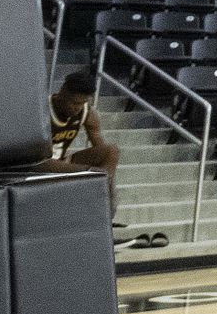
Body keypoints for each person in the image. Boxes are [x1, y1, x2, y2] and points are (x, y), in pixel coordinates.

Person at [45, 70, 165, 248]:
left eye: (82, 103)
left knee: (111, 152)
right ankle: (102, 224)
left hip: (62, 161)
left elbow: (100, 150)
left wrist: (109, 186)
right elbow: (36, 157)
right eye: (74, 102)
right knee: (95, 173)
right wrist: (95, 173)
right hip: (41, 163)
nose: (77, 108)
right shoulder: (43, 110)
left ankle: (104, 220)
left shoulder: (87, 113)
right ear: (62, 91)